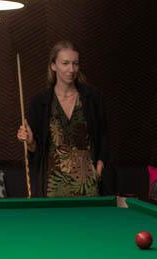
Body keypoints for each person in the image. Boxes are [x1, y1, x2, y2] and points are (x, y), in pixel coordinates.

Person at [16, 41, 108, 197]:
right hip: (53, 188)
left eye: (75, 64)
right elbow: (36, 151)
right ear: (53, 65)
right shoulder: (40, 103)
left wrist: (100, 165)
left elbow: (104, 136)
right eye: (65, 63)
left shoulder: (93, 98)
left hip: (89, 186)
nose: (71, 69)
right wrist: (30, 141)